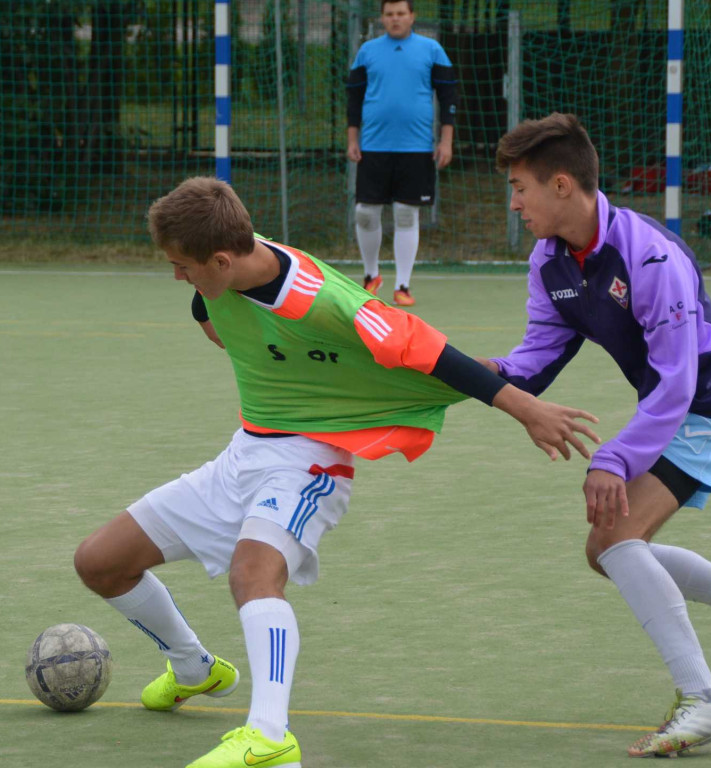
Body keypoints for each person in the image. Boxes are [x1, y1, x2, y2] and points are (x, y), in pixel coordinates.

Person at [73, 177, 599, 768]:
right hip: (244, 453)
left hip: (310, 460)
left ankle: (270, 738)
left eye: (181, 267)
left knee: (253, 575)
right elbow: (213, 313)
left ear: (222, 259)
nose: (178, 278)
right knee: (99, 563)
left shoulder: (326, 300)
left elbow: (427, 351)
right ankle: (195, 668)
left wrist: (525, 408)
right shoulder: (220, 271)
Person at [482, 113, 711, 758]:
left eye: (520, 186)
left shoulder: (651, 256)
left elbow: (677, 384)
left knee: (613, 538)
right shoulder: (551, 259)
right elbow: (538, 357)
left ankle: (708, 699)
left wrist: (613, 457)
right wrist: (479, 373)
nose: (515, 201)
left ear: (561, 186)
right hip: (677, 405)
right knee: (608, 546)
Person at [346, 0, 456, 307]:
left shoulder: (432, 49)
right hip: (373, 146)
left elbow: (448, 96)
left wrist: (446, 141)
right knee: (365, 212)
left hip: (417, 148)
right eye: (389, 14)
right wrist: (352, 137)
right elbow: (353, 98)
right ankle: (371, 277)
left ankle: (403, 285)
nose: (395, 19)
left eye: (401, 14)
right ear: (382, 18)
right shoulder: (367, 51)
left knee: (407, 213)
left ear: (412, 17)